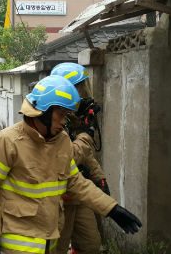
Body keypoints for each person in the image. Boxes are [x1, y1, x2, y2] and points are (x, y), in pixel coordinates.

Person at [0, 75, 141, 254]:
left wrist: (111, 209)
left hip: (51, 240)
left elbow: (76, 182)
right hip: (18, 242)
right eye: (61, 114)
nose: (64, 122)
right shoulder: (8, 140)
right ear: (44, 111)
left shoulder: (61, 140)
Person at [51, 62, 109, 254]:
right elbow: (72, 157)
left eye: (84, 86)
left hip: (80, 194)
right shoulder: (53, 121)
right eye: (79, 87)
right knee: (57, 248)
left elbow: (87, 155)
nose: (83, 91)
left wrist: (99, 178)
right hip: (60, 198)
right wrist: (87, 134)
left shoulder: (74, 118)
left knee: (90, 245)